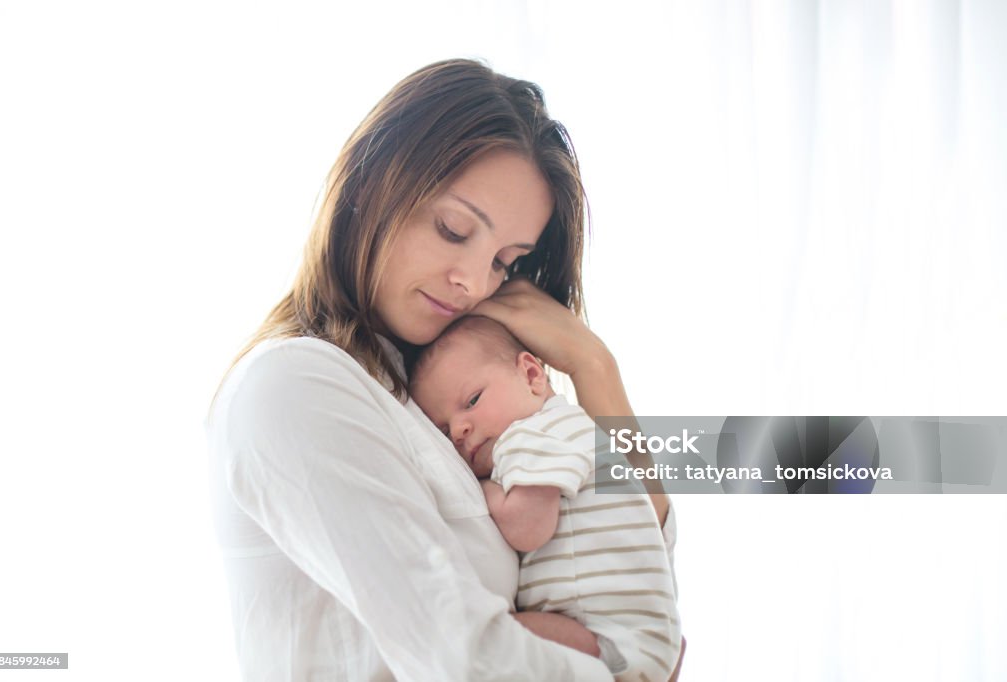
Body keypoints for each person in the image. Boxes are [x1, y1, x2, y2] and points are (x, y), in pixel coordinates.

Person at [206, 58, 683, 680]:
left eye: (504, 262)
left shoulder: (446, 406)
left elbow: (635, 581)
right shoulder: (296, 386)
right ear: (374, 184)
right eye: (454, 229)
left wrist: (596, 371)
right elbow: (460, 658)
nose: (473, 283)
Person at [409, 315, 682, 680]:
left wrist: (485, 491)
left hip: (610, 642)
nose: (459, 430)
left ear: (532, 376)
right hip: (641, 642)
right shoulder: (567, 428)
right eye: (443, 430)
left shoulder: (532, 435)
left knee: (487, 635)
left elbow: (528, 527)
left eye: (472, 400)